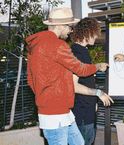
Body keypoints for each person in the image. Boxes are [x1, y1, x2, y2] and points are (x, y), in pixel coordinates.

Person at [26, 7, 113, 145]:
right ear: (59, 26)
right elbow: (81, 70)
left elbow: (30, 79)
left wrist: (44, 96)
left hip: (58, 112)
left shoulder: (35, 46)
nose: (71, 30)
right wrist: (97, 66)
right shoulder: (58, 45)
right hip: (56, 113)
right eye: (69, 26)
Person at [70, 17, 101, 145]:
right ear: (87, 33)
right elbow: (74, 85)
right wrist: (98, 93)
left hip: (84, 109)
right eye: (95, 33)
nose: (97, 36)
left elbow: (83, 76)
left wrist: (97, 67)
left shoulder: (80, 51)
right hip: (82, 111)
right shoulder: (79, 53)